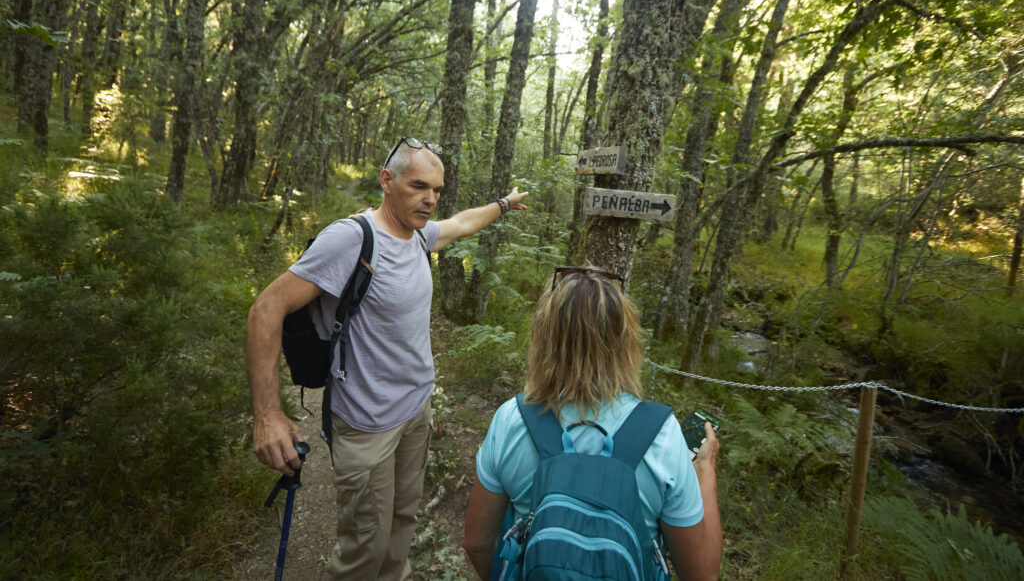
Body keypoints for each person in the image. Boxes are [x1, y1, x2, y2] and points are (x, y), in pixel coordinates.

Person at [247, 136, 528, 580]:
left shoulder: (418, 235)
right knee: (364, 549)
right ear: (387, 181)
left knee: (400, 531)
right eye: (419, 186)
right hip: (366, 423)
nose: (430, 199)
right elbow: (266, 309)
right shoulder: (350, 239)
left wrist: (504, 205)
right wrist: (267, 413)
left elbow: (462, 223)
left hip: (415, 413)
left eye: (436, 189)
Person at [462, 266, 722, 580]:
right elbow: (702, 574)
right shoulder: (663, 436)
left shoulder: (511, 420)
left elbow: (477, 543)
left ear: (545, 338)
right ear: (625, 344)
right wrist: (705, 470)